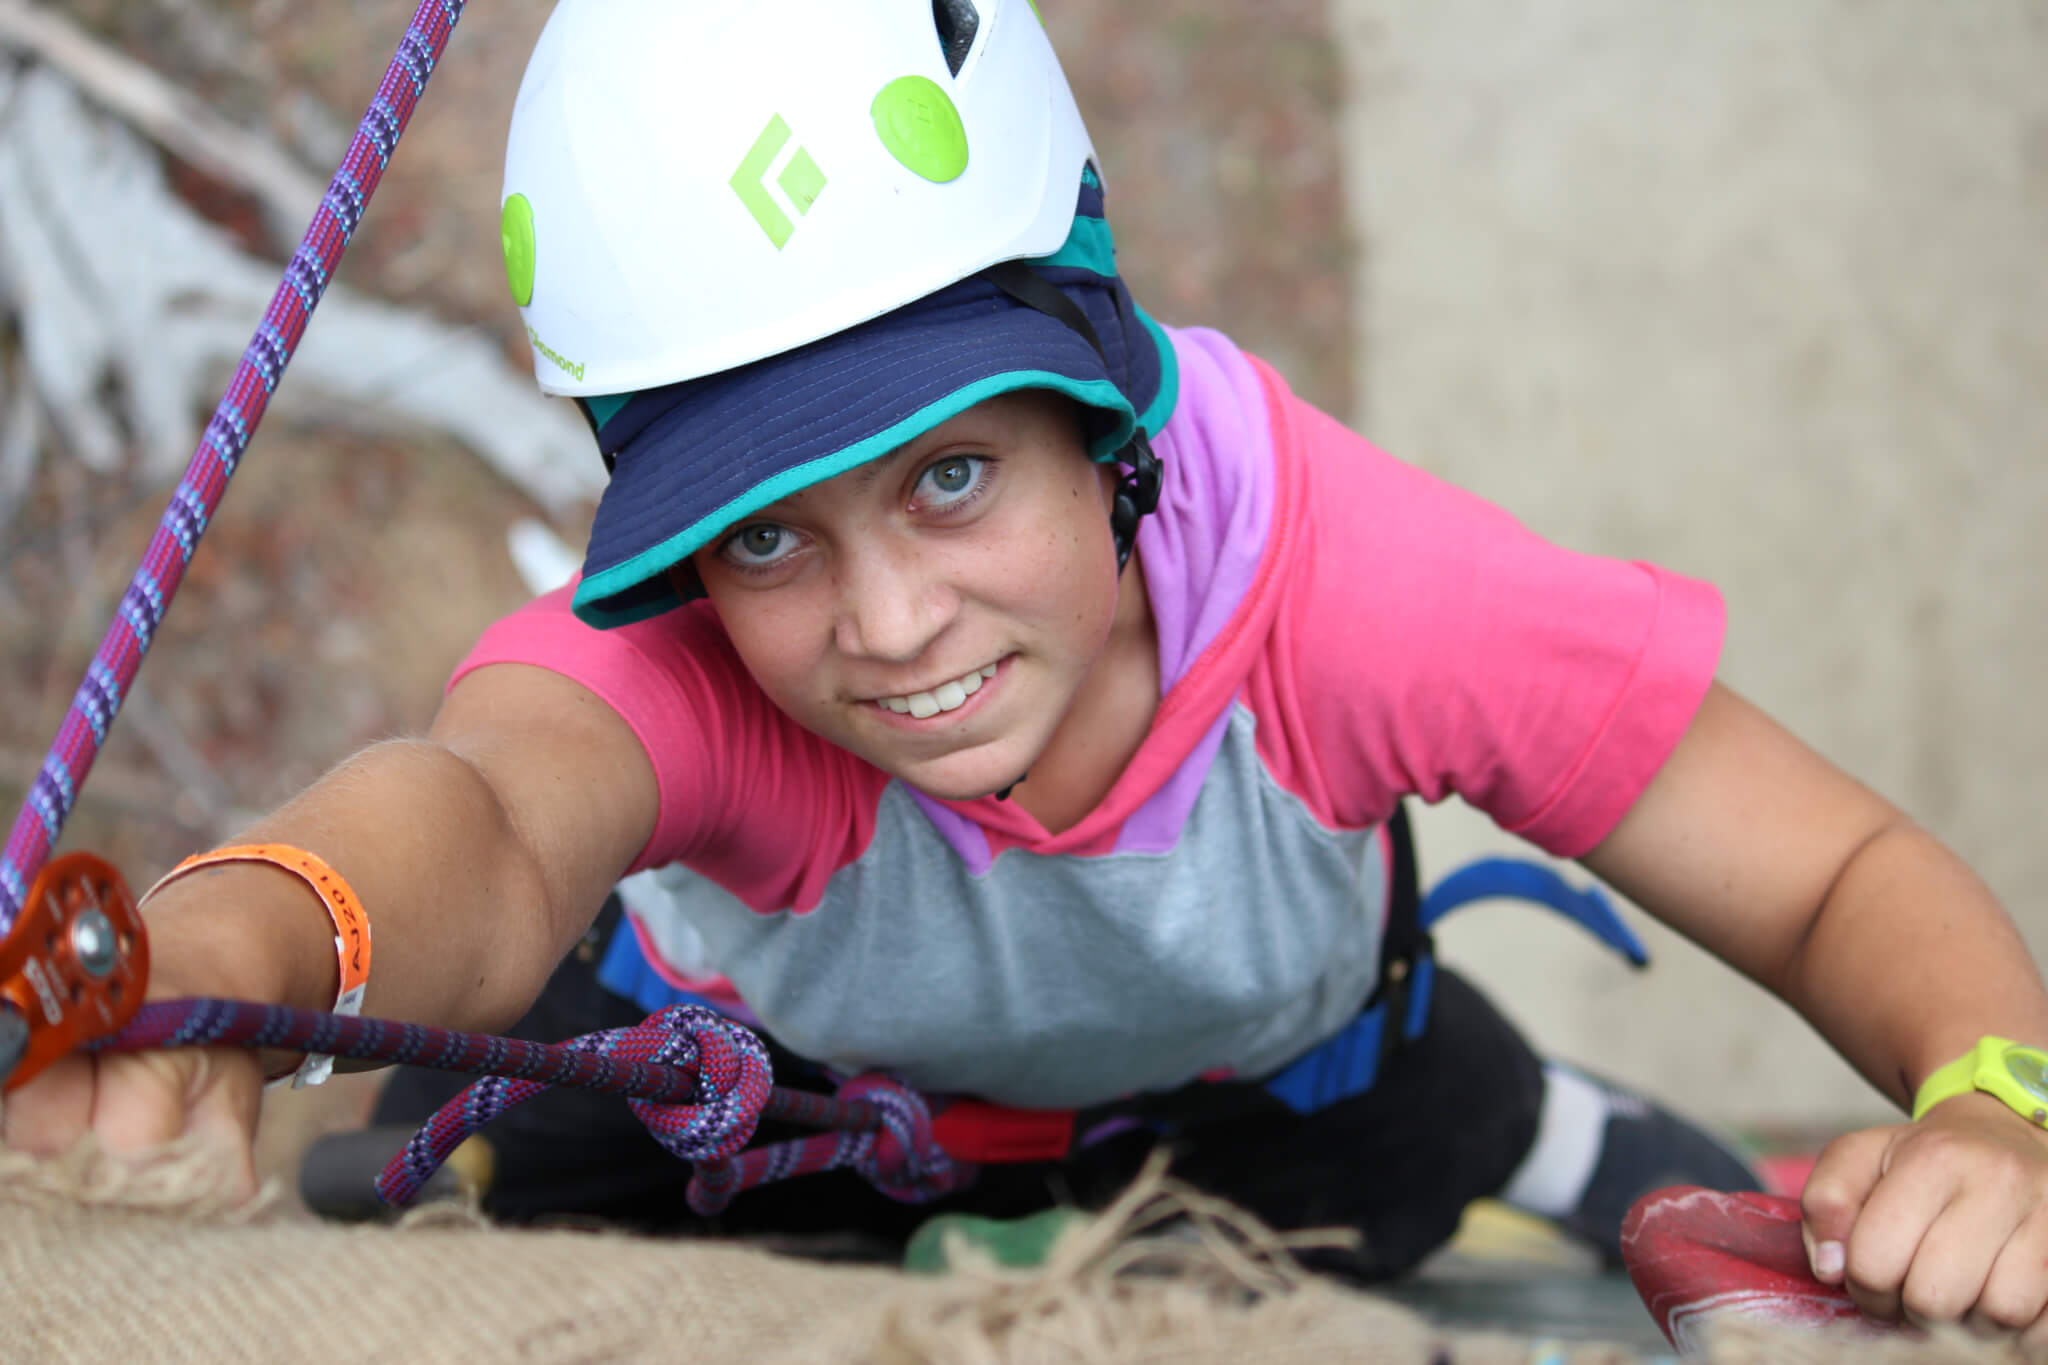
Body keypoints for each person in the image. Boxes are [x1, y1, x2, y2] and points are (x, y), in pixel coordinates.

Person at [9, 0, 2048, 1335]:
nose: (884, 623)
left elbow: (1826, 869)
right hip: (760, 1113)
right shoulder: (701, 662)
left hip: (1263, 1074)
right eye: (770, 531)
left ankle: (1551, 1135)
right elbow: (478, 810)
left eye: (956, 473)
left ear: (1109, 403)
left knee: (1455, 1128)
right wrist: (236, 957)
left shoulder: (1348, 590)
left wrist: (1995, 1105)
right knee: (422, 1236)